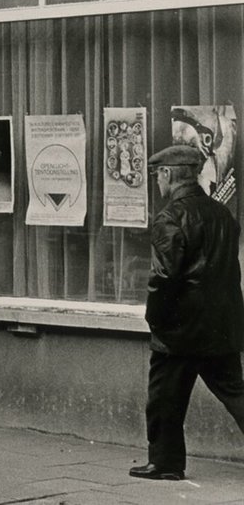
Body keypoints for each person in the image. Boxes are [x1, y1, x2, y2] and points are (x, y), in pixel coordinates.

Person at [131, 144, 244, 481]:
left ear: (167, 174)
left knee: (165, 399)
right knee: (236, 394)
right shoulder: (223, 214)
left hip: (180, 330)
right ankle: (165, 463)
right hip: (222, 326)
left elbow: (164, 278)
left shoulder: (170, 217)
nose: (157, 182)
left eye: (157, 175)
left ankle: (165, 463)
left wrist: (156, 320)